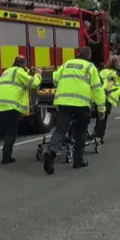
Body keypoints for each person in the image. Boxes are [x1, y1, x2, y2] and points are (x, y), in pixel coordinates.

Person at [43, 46, 106, 175]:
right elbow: (97, 88)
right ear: (89, 56)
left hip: (64, 102)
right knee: (81, 131)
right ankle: (78, 161)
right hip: (82, 104)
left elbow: (55, 78)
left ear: (78, 54)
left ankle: (51, 152)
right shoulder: (90, 67)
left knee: (61, 129)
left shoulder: (67, 64)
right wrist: (101, 108)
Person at [0, 55, 42, 166]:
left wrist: (29, 72)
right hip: (11, 107)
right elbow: (33, 84)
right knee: (11, 133)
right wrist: (38, 74)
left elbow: (19, 80)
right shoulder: (20, 72)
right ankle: (6, 157)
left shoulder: (6, 72)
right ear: (23, 64)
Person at [94, 56, 120, 143]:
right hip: (107, 98)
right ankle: (99, 137)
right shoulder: (116, 73)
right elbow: (112, 81)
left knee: (98, 118)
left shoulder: (103, 71)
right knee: (103, 119)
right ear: (116, 64)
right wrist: (107, 90)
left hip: (97, 97)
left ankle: (95, 134)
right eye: (119, 62)